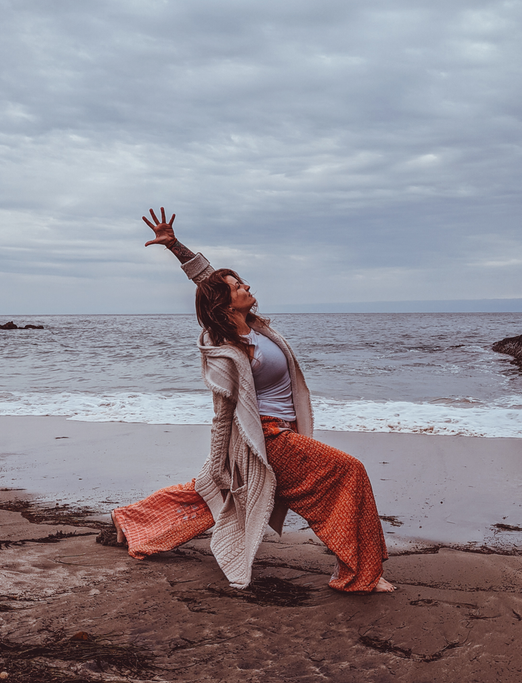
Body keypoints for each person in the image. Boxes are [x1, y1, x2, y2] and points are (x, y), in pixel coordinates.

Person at [111, 207, 395, 593]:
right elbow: (223, 414)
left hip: (282, 433)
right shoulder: (225, 349)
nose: (245, 287)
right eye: (237, 286)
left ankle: (131, 520)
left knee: (211, 494)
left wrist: (176, 245)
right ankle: (359, 575)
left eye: (242, 282)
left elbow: (209, 280)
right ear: (226, 303)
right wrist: (219, 460)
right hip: (267, 438)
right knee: (349, 471)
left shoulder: (259, 331)